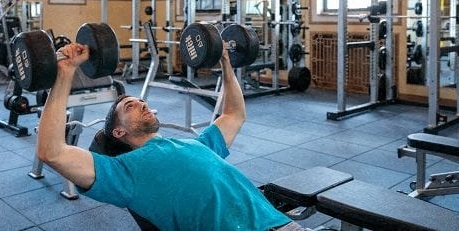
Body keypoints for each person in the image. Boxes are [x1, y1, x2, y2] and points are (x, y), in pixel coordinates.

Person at [37, 42, 307, 231]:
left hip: (282, 224)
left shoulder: (197, 144)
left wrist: (225, 60)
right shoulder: (123, 173)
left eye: (141, 101)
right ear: (119, 132)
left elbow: (234, 115)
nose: (142, 104)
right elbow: (52, 152)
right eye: (130, 106)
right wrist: (65, 73)